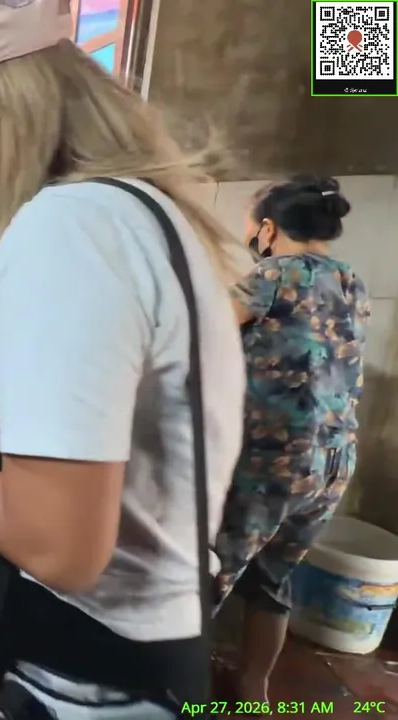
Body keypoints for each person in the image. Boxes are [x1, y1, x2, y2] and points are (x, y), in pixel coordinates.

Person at [0, 0, 250, 717]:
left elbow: (59, 546)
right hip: (126, 636)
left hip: (86, 664)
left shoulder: (69, 228)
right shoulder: (133, 211)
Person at [214, 176, 368, 706]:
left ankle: (166, 686)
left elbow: (204, 334)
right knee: (274, 576)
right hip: (335, 459)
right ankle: (253, 687)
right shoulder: (351, 280)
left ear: (268, 228)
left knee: (211, 571)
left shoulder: (273, 274)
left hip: (274, 458)